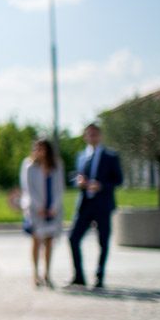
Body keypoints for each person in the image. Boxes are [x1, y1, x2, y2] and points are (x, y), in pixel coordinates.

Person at [68, 123, 123, 289]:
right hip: (85, 205)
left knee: (103, 242)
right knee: (73, 238)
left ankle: (100, 277)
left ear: (99, 136)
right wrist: (78, 181)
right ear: (85, 136)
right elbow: (74, 176)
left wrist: (101, 185)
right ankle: (79, 276)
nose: (91, 137)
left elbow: (118, 180)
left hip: (103, 205)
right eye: (88, 134)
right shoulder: (81, 156)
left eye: (94, 134)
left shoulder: (111, 156)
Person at [19, 138, 65, 288]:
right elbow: (28, 188)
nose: (39, 151)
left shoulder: (57, 165)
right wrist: (39, 206)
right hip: (35, 210)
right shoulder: (29, 165)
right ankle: (35, 273)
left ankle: (47, 273)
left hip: (53, 210)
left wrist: (54, 207)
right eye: (36, 148)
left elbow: (60, 187)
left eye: (42, 148)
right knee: (36, 241)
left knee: (50, 242)